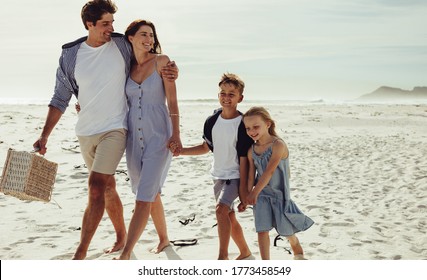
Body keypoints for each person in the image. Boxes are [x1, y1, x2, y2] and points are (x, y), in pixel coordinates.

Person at [33, 0, 177, 260]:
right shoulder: (71, 55)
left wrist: (170, 68)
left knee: (96, 185)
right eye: (105, 24)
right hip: (86, 130)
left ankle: (81, 251)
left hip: (116, 128)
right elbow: (59, 98)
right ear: (90, 24)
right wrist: (45, 135)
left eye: (112, 22)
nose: (112, 28)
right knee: (108, 186)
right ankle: (121, 235)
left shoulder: (121, 44)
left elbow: (148, 58)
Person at [115, 19, 182, 260]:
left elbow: (172, 102)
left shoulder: (162, 62)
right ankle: (164, 239)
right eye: (143, 34)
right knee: (151, 193)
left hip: (159, 138)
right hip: (134, 140)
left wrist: (176, 134)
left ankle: (126, 254)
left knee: (143, 196)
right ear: (130, 38)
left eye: (151, 35)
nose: (149, 39)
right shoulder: (126, 68)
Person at [172, 73, 252, 260]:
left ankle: (222, 257)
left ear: (240, 98)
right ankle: (245, 251)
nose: (226, 97)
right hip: (218, 175)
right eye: (223, 93)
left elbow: (245, 158)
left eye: (231, 94)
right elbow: (206, 148)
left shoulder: (243, 124)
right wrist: (181, 151)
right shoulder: (212, 121)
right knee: (228, 216)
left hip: (236, 176)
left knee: (221, 210)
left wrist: (244, 190)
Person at [242, 106, 314, 260]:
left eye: (256, 126)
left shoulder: (278, 145)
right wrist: (248, 197)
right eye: (248, 128)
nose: (252, 131)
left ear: (267, 124)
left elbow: (269, 171)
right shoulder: (251, 150)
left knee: (286, 231)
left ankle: (296, 247)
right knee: (262, 230)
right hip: (261, 196)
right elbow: (250, 175)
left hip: (279, 195)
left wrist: (253, 192)